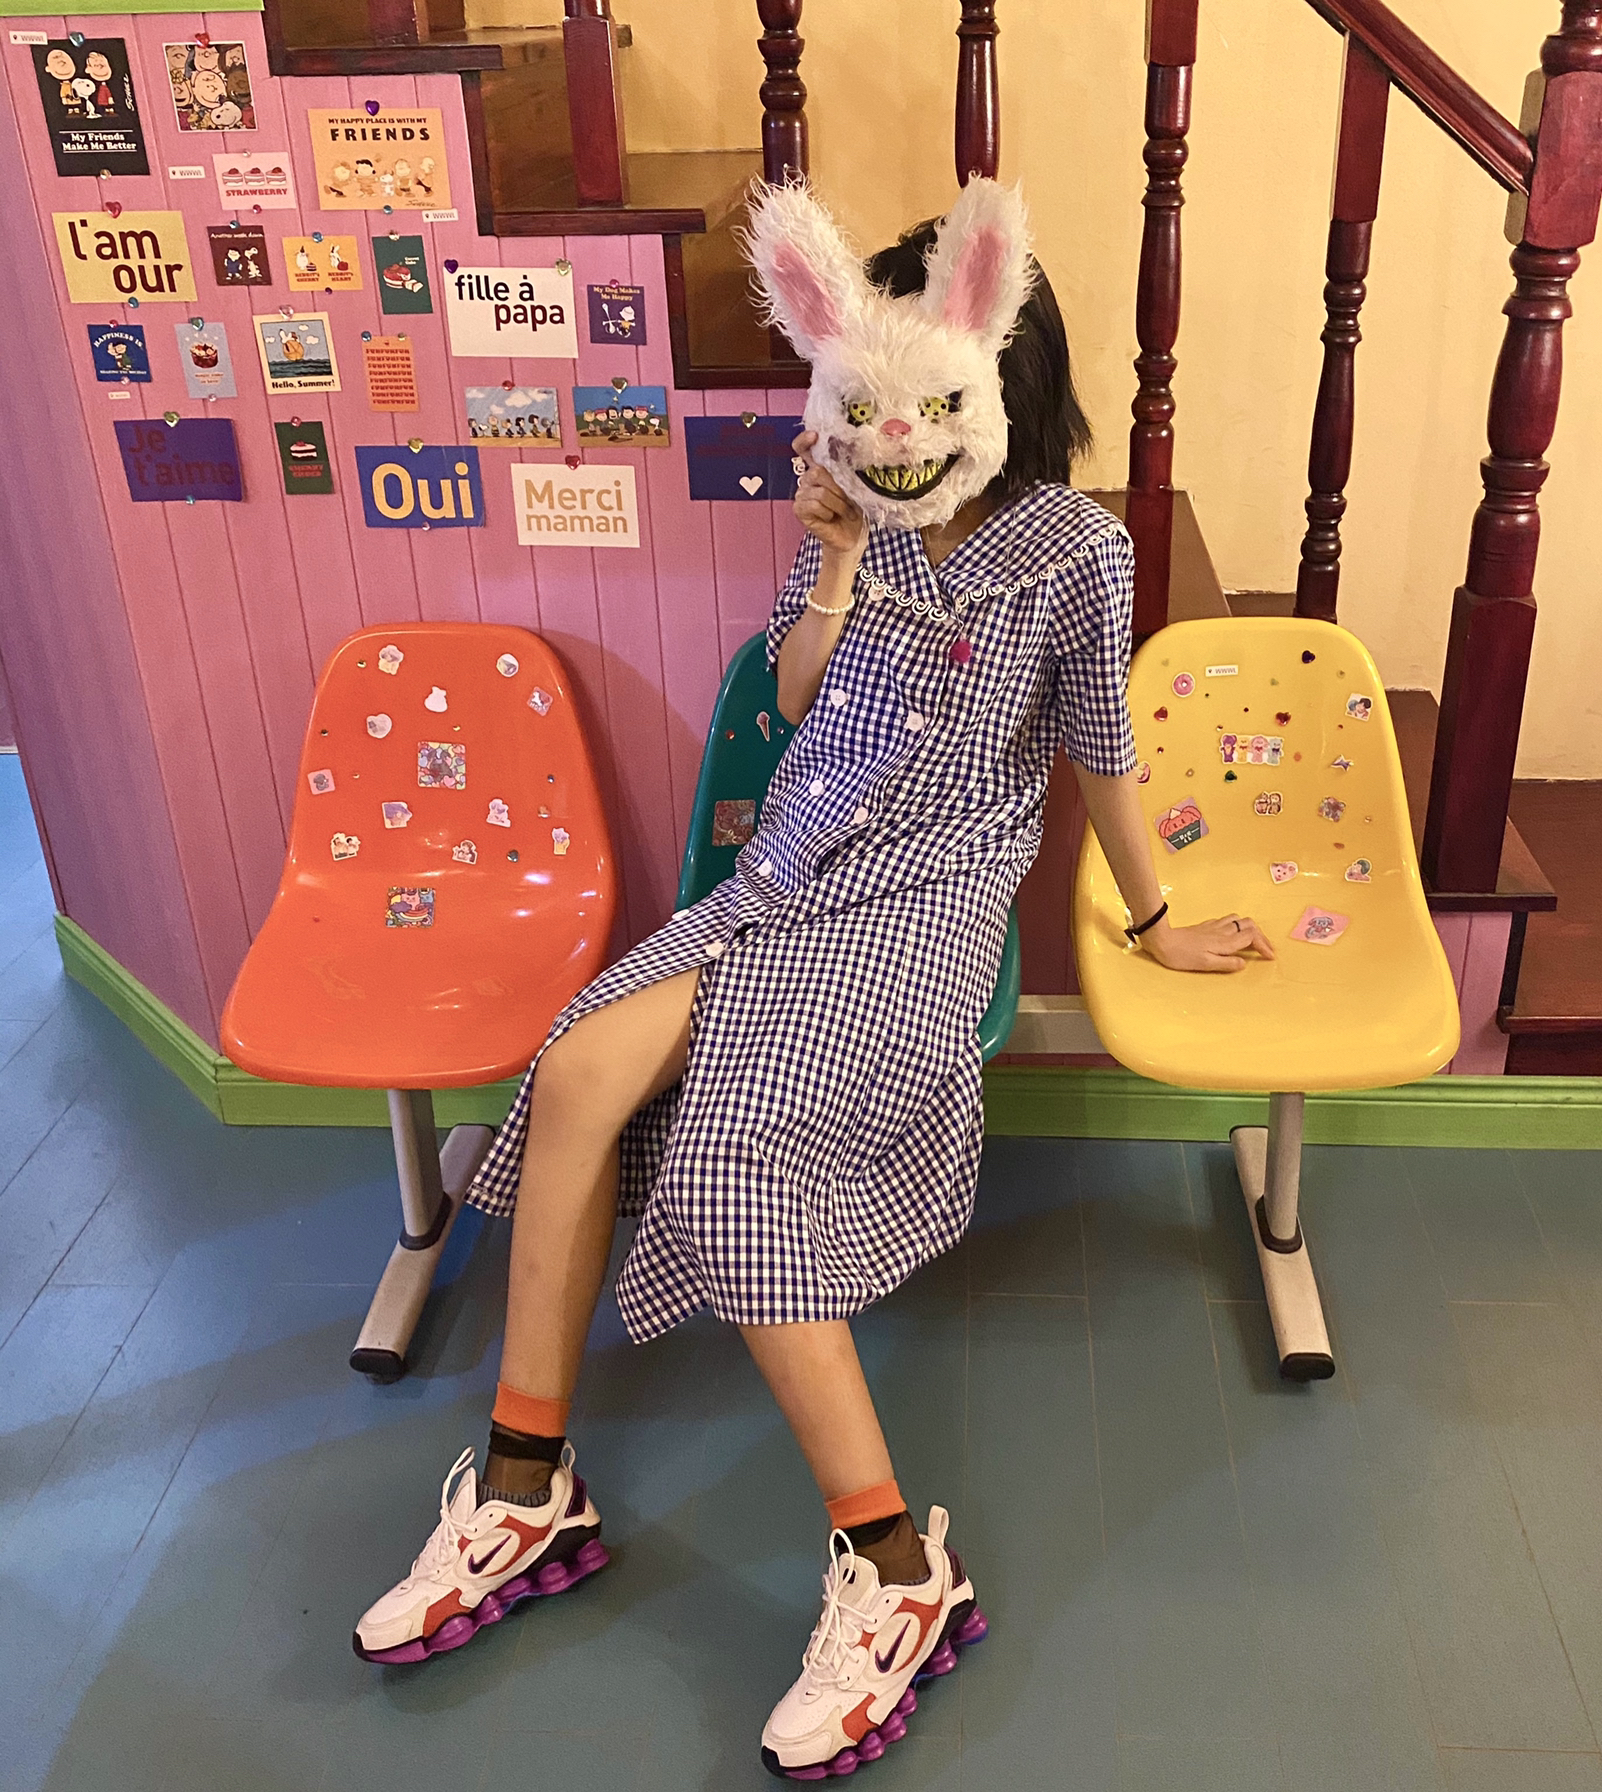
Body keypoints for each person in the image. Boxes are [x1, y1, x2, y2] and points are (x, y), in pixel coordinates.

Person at [352, 187, 1273, 1779]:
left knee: (734, 1151)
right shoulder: (856, 509)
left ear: (996, 363)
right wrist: (835, 558)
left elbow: (1099, 752)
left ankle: (898, 1570)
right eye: (870, 383)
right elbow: (789, 699)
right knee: (575, 1071)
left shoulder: (1077, 549)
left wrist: (1154, 916)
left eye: (928, 380)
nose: (896, 420)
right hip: (786, 870)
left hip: (929, 902)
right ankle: (522, 1484)